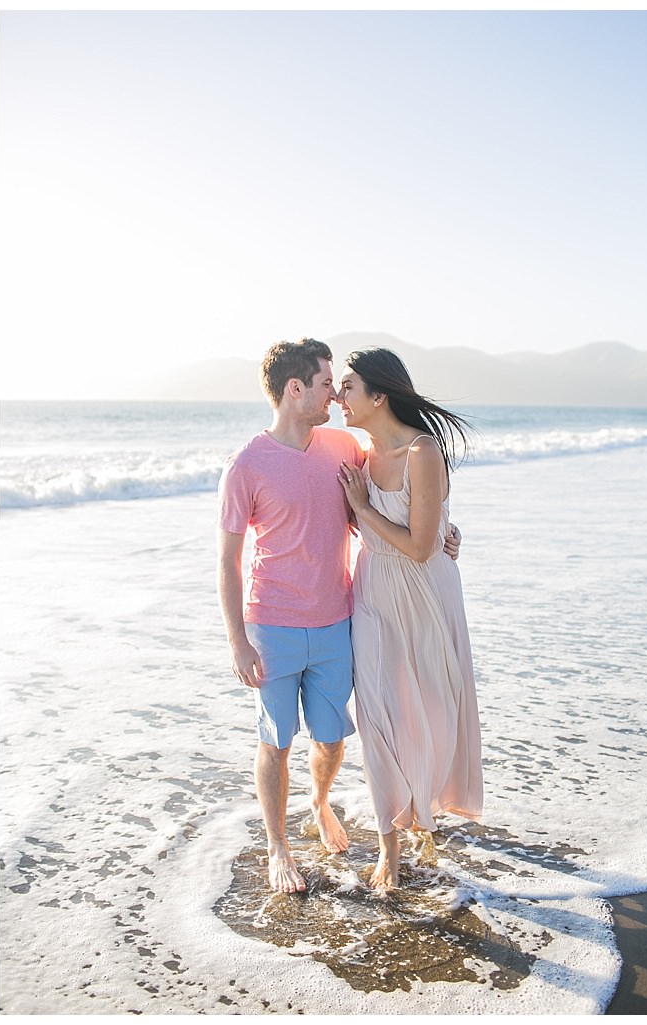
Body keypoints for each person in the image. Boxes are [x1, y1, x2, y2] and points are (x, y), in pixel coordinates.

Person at [216, 338, 462, 895]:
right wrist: (237, 640)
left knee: (331, 739)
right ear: (295, 389)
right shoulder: (246, 466)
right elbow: (227, 562)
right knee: (276, 740)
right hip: (272, 624)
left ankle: (319, 800)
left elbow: (396, 502)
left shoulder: (342, 447)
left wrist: (445, 529)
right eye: (328, 383)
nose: (335, 392)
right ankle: (279, 848)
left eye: (340, 384)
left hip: (337, 619)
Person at [337, 346, 483, 890]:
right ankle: (388, 848)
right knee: (378, 712)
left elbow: (423, 547)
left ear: (379, 396)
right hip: (372, 588)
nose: (337, 397)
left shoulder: (423, 451)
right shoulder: (355, 451)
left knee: (433, 708)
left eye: (347, 387)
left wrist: (364, 508)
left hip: (426, 592)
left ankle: (425, 806)